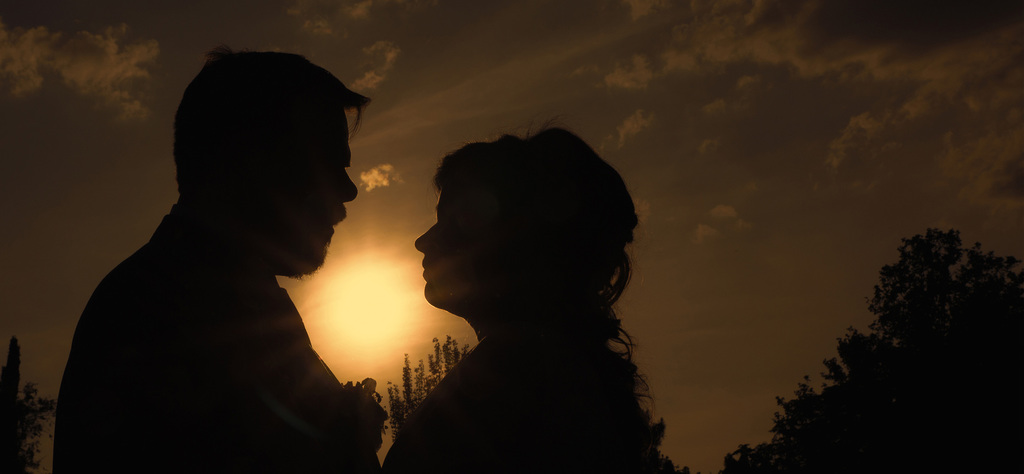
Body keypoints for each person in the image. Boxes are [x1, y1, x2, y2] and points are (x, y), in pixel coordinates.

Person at [54, 48, 385, 472]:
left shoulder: (221, 295)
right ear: (249, 158)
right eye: (328, 163)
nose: (348, 190)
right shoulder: (160, 310)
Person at [383, 128, 652, 473]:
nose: (424, 241)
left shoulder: (523, 371)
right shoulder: (555, 366)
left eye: (462, 219)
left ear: (529, 242)